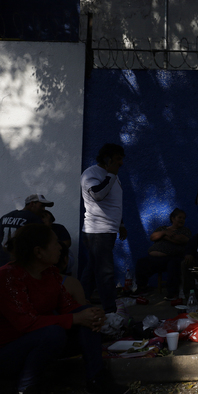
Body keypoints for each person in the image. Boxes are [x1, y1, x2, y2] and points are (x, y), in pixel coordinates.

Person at [0, 224, 126, 393]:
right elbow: (26, 323)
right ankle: (26, 387)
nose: (61, 247)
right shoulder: (8, 277)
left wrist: (91, 313)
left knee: (87, 317)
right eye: (55, 243)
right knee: (54, 333)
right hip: (8, 351)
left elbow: (68, 306)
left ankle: (96, 379)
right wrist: (76, 318)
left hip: (42, 342)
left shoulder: (49, 272)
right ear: (38, 252)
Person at [80, 143, 127, 314]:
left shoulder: (112, 175)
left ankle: (80, 302)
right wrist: (111, 174)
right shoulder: (91, 174)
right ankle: (110, 311)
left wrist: (120, 224)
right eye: (117, 159)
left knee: (93, 269)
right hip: (97, 231)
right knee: (105, 272)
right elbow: (98, 195)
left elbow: (115, 202)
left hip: (108, 230)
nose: (121, 163)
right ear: (107, 159)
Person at [131, 208, 191, 301]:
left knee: (174, 264)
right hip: (154, 259)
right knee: (141, 262)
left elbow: (183, 239)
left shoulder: (185, 230)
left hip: (172, 258)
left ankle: (172, 293)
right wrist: (164, 232)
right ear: (172, 218)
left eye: (183, 218)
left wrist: (164, 237)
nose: (182, 220)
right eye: (179, 217)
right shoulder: (162, 228)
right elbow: (153, 237)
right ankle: (142, 289)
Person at [1, 194, 53, 266]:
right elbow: (45, 240)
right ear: (32, 204)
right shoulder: (33, 218)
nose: (44, 209)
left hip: (2, 261)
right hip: (21, 262)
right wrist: (47, 226)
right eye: (42, 205)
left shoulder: (5, 216)